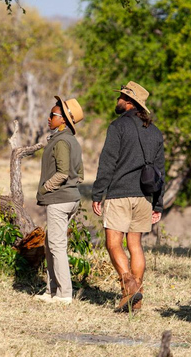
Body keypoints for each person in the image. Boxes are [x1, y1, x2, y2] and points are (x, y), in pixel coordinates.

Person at [92, 81, 165, 312]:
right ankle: (136, 299)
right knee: (135, 245)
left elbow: (108, 162)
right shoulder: (155, 132)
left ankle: (130, 289)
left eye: (121, 97)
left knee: (113, 243)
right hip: (144, 196)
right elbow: (160, 171)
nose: (117, 100)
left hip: (120, 194)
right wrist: (158, 203)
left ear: (129, 102)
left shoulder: (117, 127)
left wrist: (98, 193)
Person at [34, 96, 85, 305]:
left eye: (52, 115)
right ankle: (51, 289)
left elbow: (63, 173)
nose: (48, 118)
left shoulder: (63, 141)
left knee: (56, 246)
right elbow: (79, 174)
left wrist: (47, 187)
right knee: (51, 243)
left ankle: (64, 294)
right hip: (70, 198)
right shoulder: (71, 140)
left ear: (63, 120)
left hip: (59, 200)